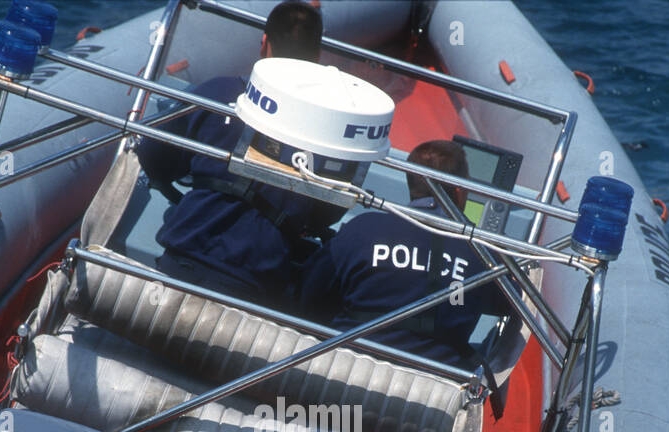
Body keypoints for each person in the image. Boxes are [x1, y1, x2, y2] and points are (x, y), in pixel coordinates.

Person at [136, 1, 343, 308]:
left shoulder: (219, 93)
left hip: (181, 259)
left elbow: (153, 153)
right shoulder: (332, 131)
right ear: (316, 57)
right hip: (257, 286)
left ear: (264, 44)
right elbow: (327, 213)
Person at [298, 139, 500, 365]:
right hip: (431, 387)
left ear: (410, 182)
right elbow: (510, 306)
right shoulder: (483, 256)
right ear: (460, 190)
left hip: (340, 372)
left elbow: (307, 298)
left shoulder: (362, 229)